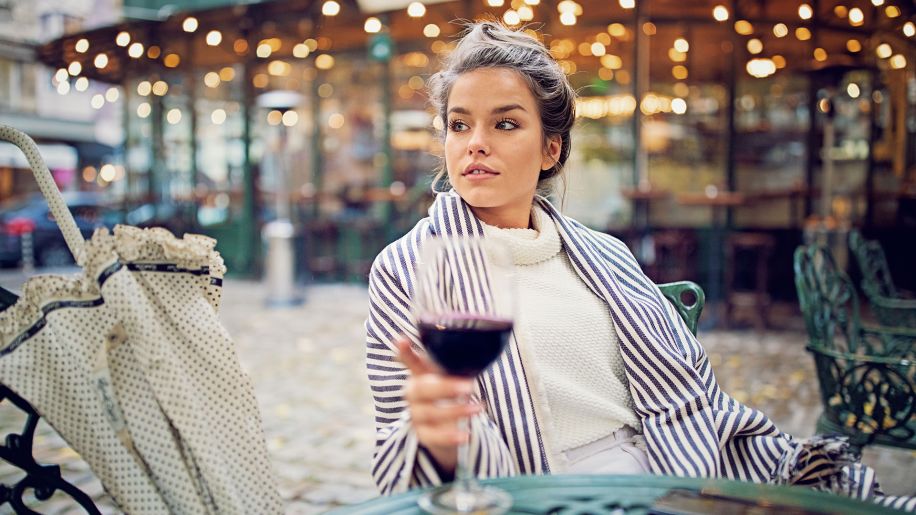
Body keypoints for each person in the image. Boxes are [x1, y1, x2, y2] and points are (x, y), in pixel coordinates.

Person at [364, 21, 913, 510]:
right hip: (538, 492)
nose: (475, 144)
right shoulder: (409, 267)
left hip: (671, 476)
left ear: (550, 148)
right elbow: (401, 443)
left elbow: (695, 397)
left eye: (505, 125)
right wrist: (435, 435)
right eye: (459, 125)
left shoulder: (604, 254)